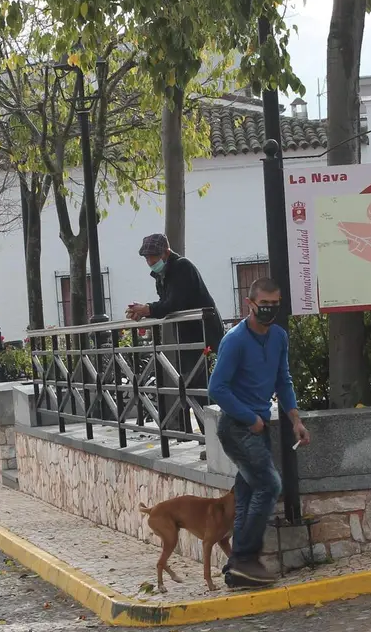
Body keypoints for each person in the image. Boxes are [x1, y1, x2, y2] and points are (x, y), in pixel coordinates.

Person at [207, 277, 311, 587]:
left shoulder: (278, 337)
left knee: (248, 492)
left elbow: (284, 380)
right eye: (263, 305)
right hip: (237, 427)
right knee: (269, 485)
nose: (269, 311)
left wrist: (295, 419)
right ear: (249, 305)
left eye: (274, 305)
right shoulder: (235, 340)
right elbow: (217, 388)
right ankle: (245, 559)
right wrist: (249, 416)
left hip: (259, 426)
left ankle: (237, 568)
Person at [126, 233, 225, 429]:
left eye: (152, 256)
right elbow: (167, 305)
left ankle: (216, 436)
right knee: (194, 388)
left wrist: (148, 309)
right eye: (146, 258)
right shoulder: (161, 276)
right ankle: (209, 437)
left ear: (166, 252)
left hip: (204, 335)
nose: (150, 261)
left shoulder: (182, 267)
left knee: (203, 387)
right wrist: (146, 312)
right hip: (188, 337)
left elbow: (175, 302)